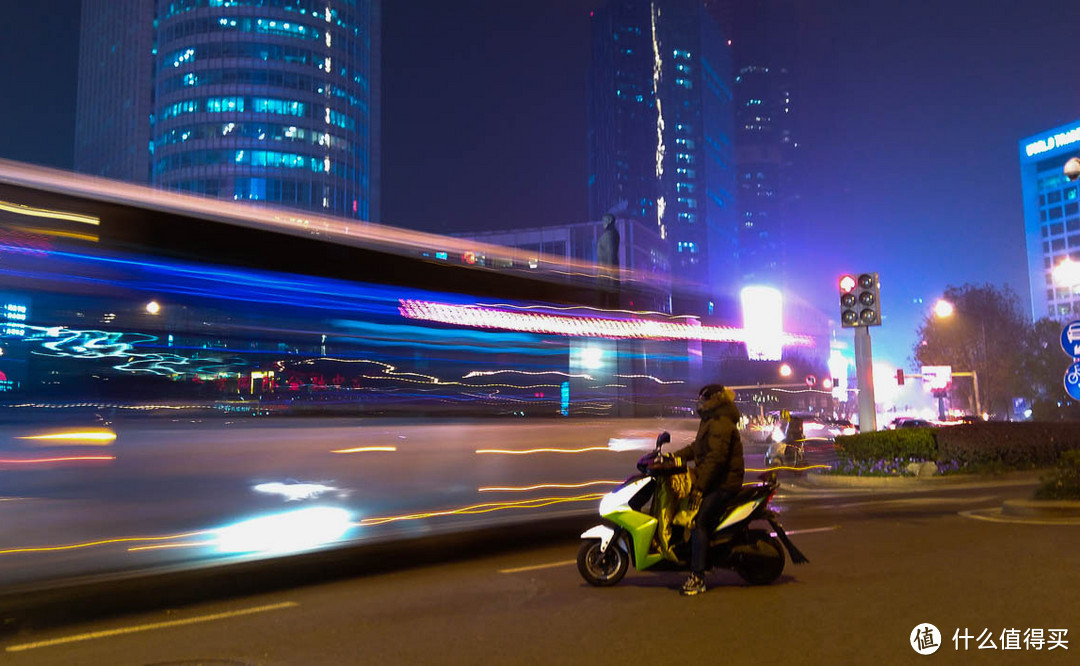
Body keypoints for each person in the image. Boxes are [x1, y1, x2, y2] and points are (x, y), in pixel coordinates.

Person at [670, 383, 745, 596]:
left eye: (703, 398)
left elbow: (715, 460)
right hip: (715, 480)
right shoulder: (711, 419)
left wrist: (700, 488)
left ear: (712, 399)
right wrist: (674, 456)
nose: (700, 402)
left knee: (699, 521)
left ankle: (698, 577)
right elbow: (698, 448)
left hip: (723, 483)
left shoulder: (720, 422)